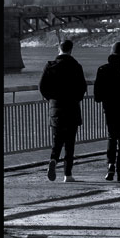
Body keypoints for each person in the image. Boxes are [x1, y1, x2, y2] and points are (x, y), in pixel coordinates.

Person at [38, 39, 87, 183]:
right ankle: (68, 174)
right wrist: (76, 99)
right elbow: (82, 87)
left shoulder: (50, 66)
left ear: (58, 49)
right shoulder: (76, 66)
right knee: (70, 143)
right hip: (72, 108)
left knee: (57, 140)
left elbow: (42, 86)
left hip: (56, 108)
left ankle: (53, 159)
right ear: (71, 50)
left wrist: (51, 99)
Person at [94, 42, 120, 182]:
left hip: (109, 109)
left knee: (112, 137)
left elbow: (97, 96)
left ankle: (110, 166)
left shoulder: (102, 69)